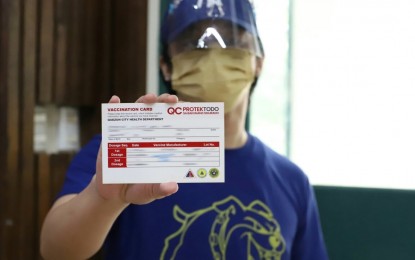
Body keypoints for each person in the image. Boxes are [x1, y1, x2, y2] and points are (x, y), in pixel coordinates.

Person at [40, 0, 329, 259]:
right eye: (195, 44)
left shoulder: (291, 181)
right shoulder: (124, 151)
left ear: (258, 63)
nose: (215, 55)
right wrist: (104, 200)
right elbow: (55, 249)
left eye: (233, 40)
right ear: (166, 66)